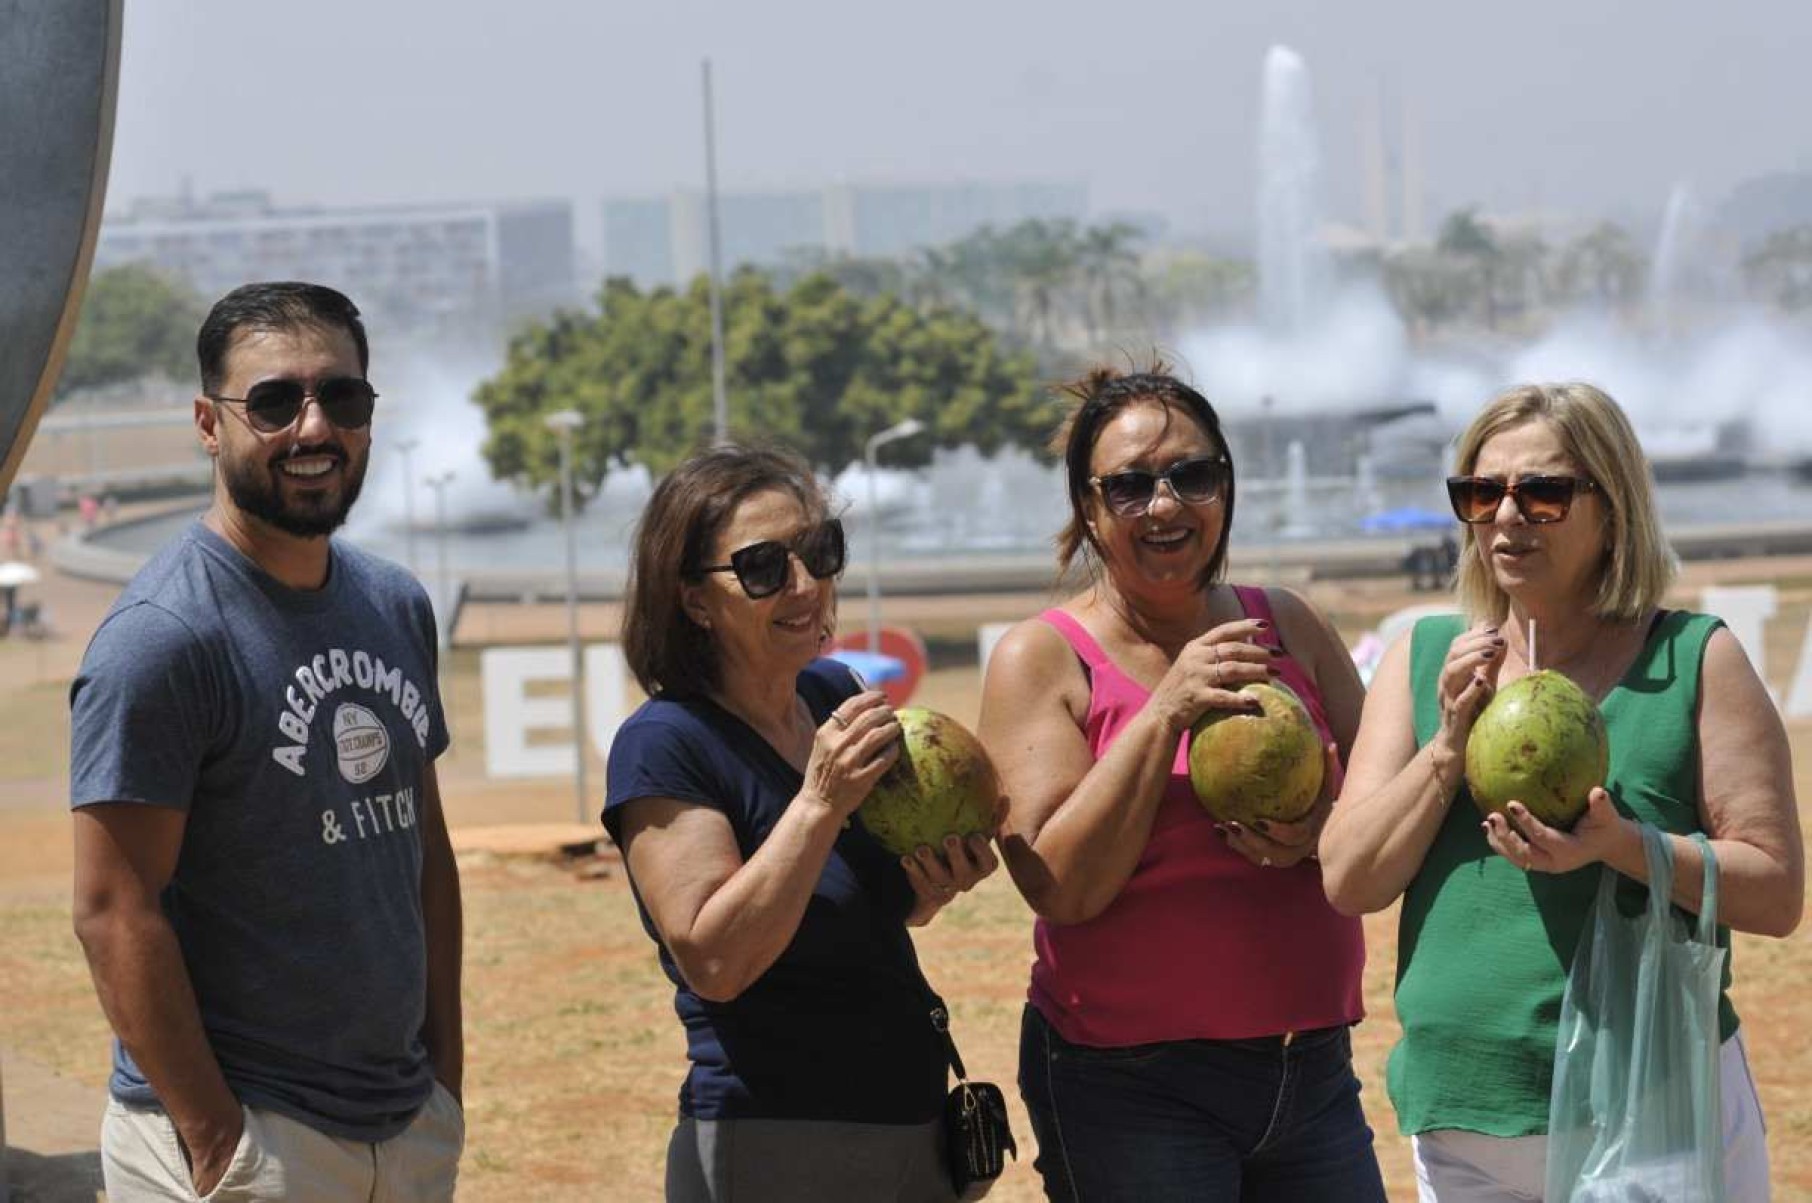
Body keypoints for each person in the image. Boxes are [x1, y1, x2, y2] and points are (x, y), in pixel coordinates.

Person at [1320, 381, 1803, 1200]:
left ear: (1611, 509)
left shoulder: (1693, 658)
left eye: (1542, 492)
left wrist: (1625, 846)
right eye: (1481, 492)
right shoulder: (1424, 655)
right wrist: (1447, 747)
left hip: (1649, 1108)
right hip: (1466, 1119)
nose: (1507, 516)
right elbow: (1349, 877)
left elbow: (1776, 891)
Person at [69, 282, 465, 1201]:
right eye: (276, 402)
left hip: (404, 1126)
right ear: (210, 423)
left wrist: (445, 1078)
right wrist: (219, 1143)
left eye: (344, 397)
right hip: (250, 1138)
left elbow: (424, 853)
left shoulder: (394, 603)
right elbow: (112, 910)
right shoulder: (164, 637)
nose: (314, 427)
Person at [977, 364, 1386, 1201]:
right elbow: (1058, 885)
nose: (1164, 505)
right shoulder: (1042, 657)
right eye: (1129, 486)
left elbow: (1387, 809)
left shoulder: (1291, 623)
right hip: (1131, 1085)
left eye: (1191, 475)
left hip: (1307, 1066)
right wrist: (1163, 709)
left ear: (1225, 489)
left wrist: (1323, 832)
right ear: (1089, 510)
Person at [605, 443, 1001, 1202]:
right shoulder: (664, 743)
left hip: (907, 1132)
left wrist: (934, 882)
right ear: (692, 599)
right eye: (763, 566)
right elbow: (716, 958)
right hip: (772, 1148)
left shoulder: (833, 695)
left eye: (820, 552)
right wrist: (818, 802)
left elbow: (863, 909)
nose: (806, 583)